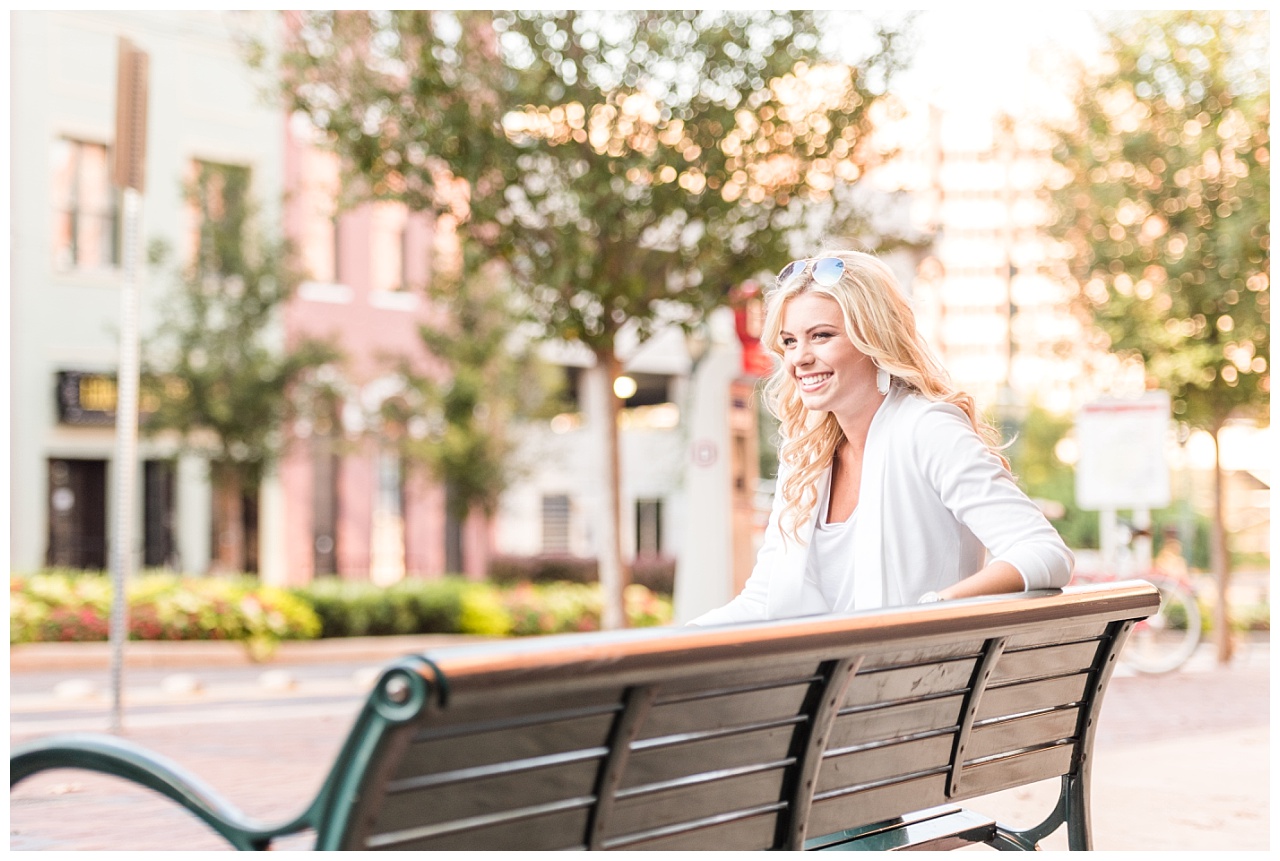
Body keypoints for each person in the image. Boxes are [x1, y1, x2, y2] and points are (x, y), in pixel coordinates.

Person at [690, 250, 1073, 626]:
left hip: (909, 679)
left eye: (821, 336)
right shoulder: (805, 456)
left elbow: (1043, 551)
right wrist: (668, 645)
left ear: (873, 339)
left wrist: (936, 609)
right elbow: (762, 601)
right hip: (832, 681)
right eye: (789, 341)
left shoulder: (928, 428)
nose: (798, 359)